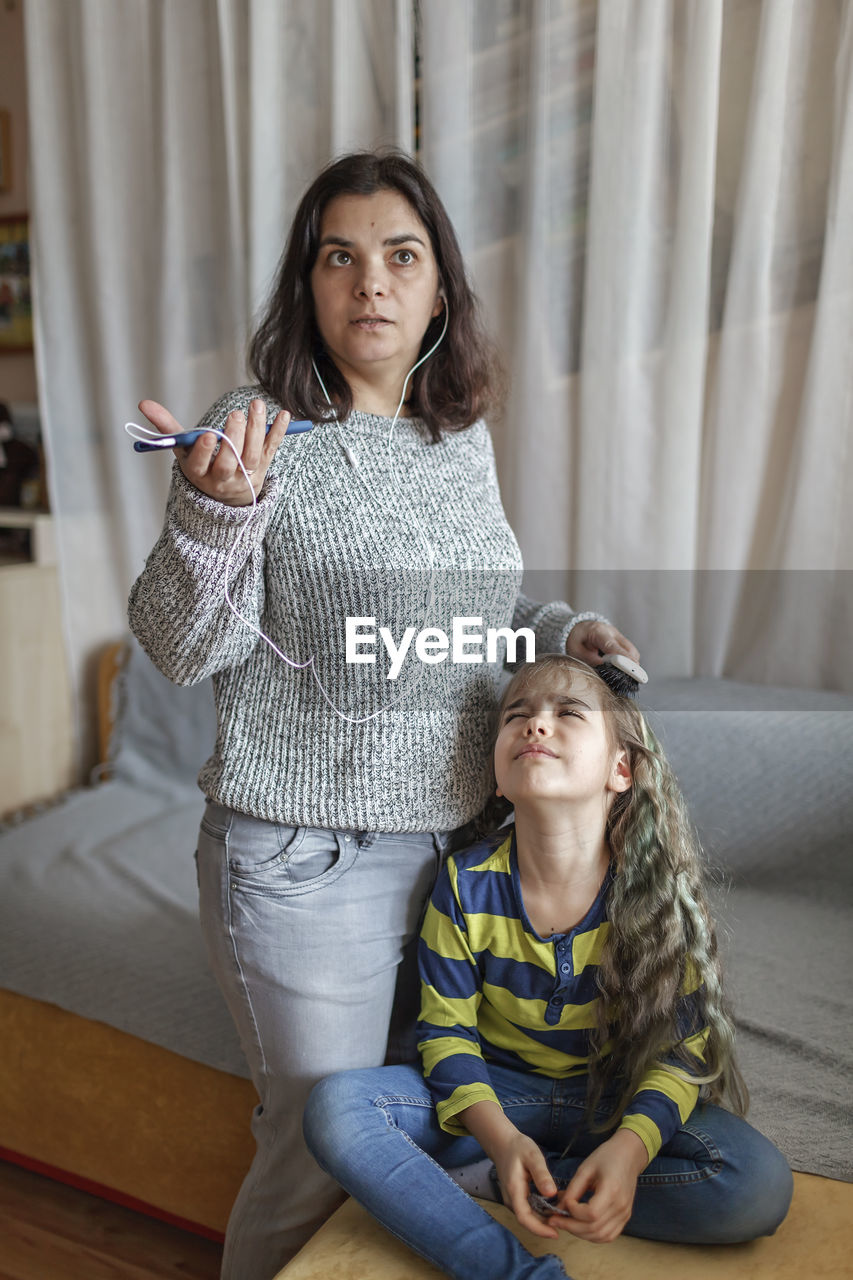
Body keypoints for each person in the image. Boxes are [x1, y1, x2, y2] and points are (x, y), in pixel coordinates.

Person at [128, 150, 640, 1279]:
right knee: (313, 1156)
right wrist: (215, 518)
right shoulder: (252, 431)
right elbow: (178, 646)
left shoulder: (456, 437)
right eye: (340, 257)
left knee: (432, 1140)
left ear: (438, 290)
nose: (371, 282)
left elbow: (467, 611)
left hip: (461, 860)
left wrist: (559, 635)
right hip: (308, 859)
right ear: (307, 289)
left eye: (400, 256)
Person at [304, 653, 793, 1280]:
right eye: (518, 716)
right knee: (337, 1109)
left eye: (567, 714)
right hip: (494, 1099)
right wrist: (502, 1139)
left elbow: (682, 1053)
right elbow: (447, 1033)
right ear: (498, 778)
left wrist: (627, 1153)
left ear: (621, 768)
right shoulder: (465, 882)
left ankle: (497, 1178)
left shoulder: (654, 895)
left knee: (756, 1187)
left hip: (611, 1103)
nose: (537, 725)